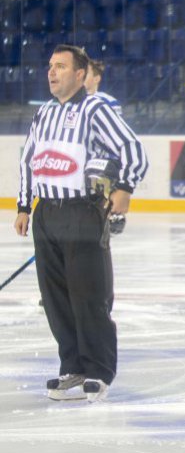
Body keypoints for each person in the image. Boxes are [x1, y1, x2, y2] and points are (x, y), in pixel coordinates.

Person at [14, 45, 149, 403]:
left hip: (82, 211)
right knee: (55, 297)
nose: (51, 72)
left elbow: (132, 148)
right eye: (50, 66)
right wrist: (24, 206)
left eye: (60, 66)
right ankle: (72, 365)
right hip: (47, 214)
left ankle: (98, 370)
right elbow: (28, 161)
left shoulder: (95, 109)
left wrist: (125, 188)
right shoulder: (43, 113)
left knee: (89, 295)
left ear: (79, 74)